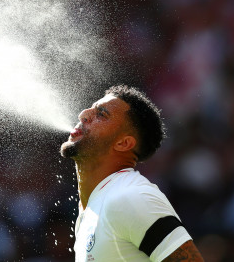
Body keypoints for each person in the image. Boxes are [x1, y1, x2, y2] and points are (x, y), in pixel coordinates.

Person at [60, 85, 204, 261]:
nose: (83, 114)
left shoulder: (131, 197)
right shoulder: (94, 207)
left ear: (124, 143)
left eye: (101, 114)